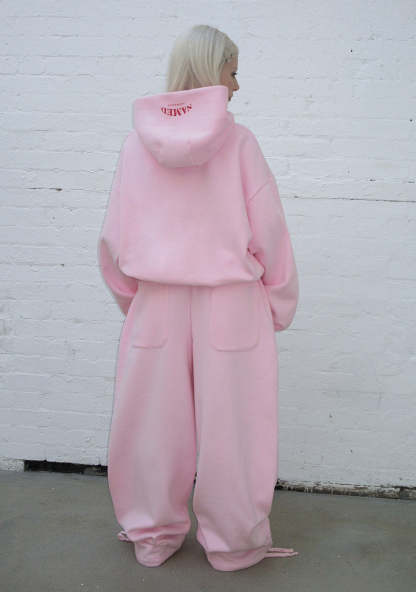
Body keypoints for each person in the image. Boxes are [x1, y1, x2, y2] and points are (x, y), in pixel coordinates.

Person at [97, 24, 300, 572]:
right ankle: (234, 544)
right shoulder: (239, 143)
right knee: (236, 427)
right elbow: (269, 232)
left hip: (156, 304)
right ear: (214, 71)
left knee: (150, 425)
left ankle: (152, 536)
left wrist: (136, 301)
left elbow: (115, 238)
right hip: (231, 303)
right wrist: (279, 303)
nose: (236, 85)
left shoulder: (135, 145)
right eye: (233, 71)